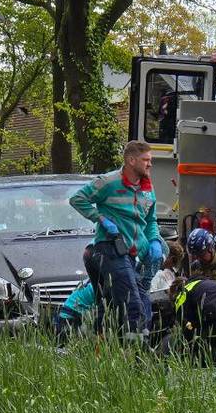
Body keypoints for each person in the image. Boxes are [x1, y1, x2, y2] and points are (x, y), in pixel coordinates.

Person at [70, 140, 165, 339]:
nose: (150, 164)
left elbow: (150, 220)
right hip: (110, 248)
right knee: (132, 304)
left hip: (131, 254)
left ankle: (103, 344)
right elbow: (78, 199)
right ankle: (135, 349)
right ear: (131, 160)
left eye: (150, 160)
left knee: (113, 304)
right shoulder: (108, 182)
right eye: (146, 160)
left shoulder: (148, 188)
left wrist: (155, 240)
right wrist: (100, 218)